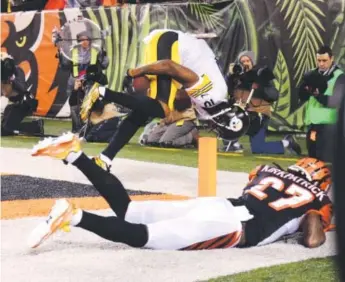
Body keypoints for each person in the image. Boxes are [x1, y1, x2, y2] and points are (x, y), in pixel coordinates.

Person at [28, 133, 332, 250]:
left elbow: (254, 185)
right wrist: (315, 218)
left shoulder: (268, 169)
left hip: (221, 205)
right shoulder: (317, 198)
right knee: (145, 238)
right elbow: (314, 240)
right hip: (234, 228)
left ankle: (75, 155)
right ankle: (77, 217)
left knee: (130, 211)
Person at [80, 29, 228, 170]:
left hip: (172, 46)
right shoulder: (213, 95)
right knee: (162, 108)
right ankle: (101, 92)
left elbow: (181, 96)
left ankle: (105, 158)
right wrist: (134, 72)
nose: (215, 129)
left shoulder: (214, 100)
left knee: (142, 113)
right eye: (221, 128)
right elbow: (169, 66)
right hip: (171, 43)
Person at [224, 50, 302, 155]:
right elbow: (228, 92)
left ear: (252, 62)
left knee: (258, 148)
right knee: (226, 117)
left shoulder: (260, 74)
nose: (245, 64)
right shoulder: (237, 77)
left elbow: (274, 95)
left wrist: (260, 88)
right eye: (242, 62)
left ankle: (287, 142)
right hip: (241, 114)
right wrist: (230, 76)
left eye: (247, 61)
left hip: (258, 115)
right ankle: (233, 144)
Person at [54, 30, 109, 133]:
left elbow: (104, 65)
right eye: (81, 39)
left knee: (90, 105)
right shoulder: (72, 51)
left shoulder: (97, 50)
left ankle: (90, 130)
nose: (84, 41)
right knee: (74, 105)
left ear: (90, 40)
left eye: (86, 39)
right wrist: (60, 49)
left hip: (91, 81)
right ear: (78, 40)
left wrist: (104, 53)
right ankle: (76, 129)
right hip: (75, 81)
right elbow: (65, 65)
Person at [299, 45, 345, 163]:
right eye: (318, 60)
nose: (321, 64)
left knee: (326, 163)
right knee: (312, 161)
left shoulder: (339, 76)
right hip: (312, 123)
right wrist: (304, 89)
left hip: (329, 126)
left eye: (324, 60)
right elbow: (301, 97)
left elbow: (337, 102)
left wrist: (317, 94)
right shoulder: (312, 74)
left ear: (332, 59)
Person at [1, 52, 44, 137]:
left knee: (6, 128)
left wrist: (10, 80)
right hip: (12, 104)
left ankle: (36, 126)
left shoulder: (17, 71)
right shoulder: (3, 77)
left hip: (24, 102)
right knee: (3, 130)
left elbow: (21, 88)